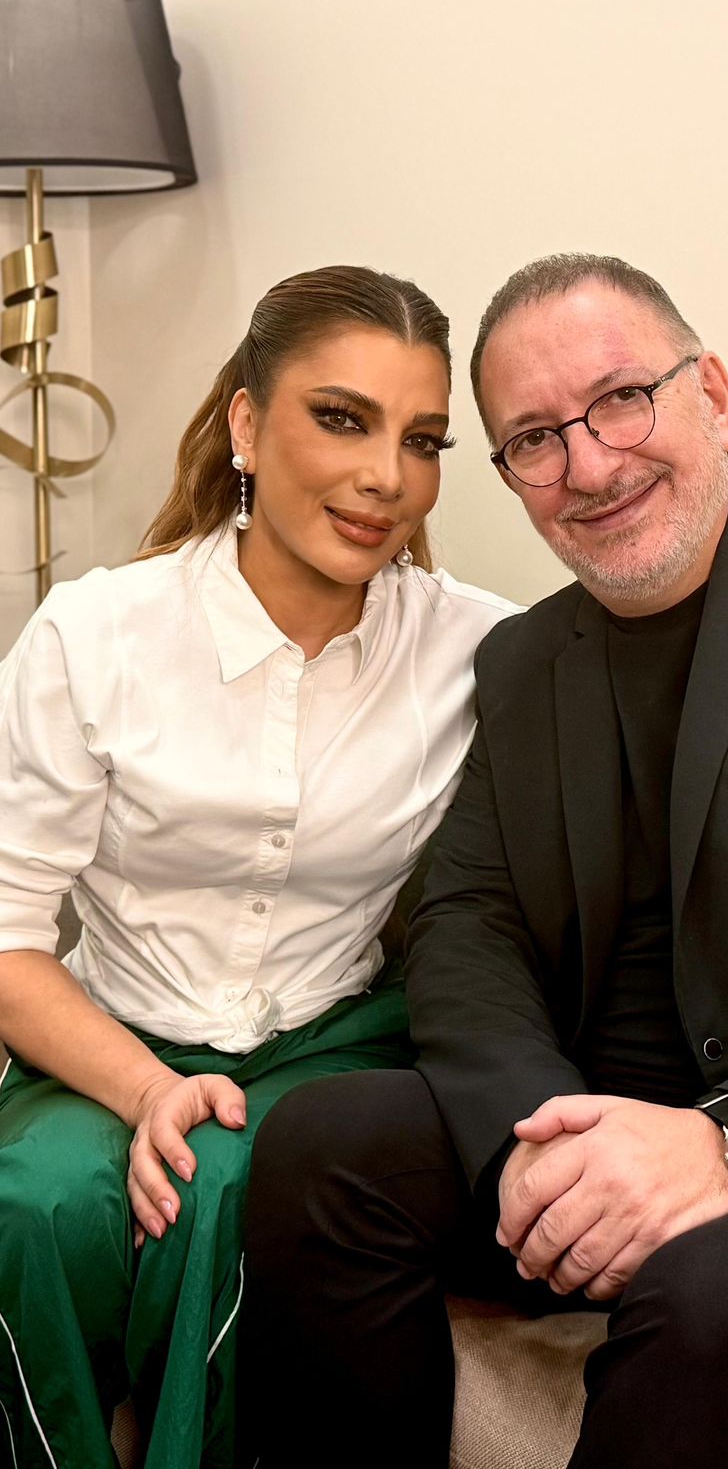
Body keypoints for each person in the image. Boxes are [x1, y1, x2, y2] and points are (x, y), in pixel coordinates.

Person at [243, 253, 728, 1469]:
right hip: (595, 1110)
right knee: (326, 1144)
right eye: (534, 438)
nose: (588, 466)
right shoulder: (525, 660)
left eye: (620, 400)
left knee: (708, 1297)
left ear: (713, 394)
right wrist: (538, 1149)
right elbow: (464, 921)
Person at [0, 264, 517, 1469]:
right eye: (342, 418)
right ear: (245, 422)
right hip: (107, 1038)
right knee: (34, 1205)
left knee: (229, 1189)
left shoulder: (481, 649)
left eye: (422, 439)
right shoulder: (95, 634)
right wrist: (145, 1089)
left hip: (334, 1045)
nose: (387, 476)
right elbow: (7, 935)